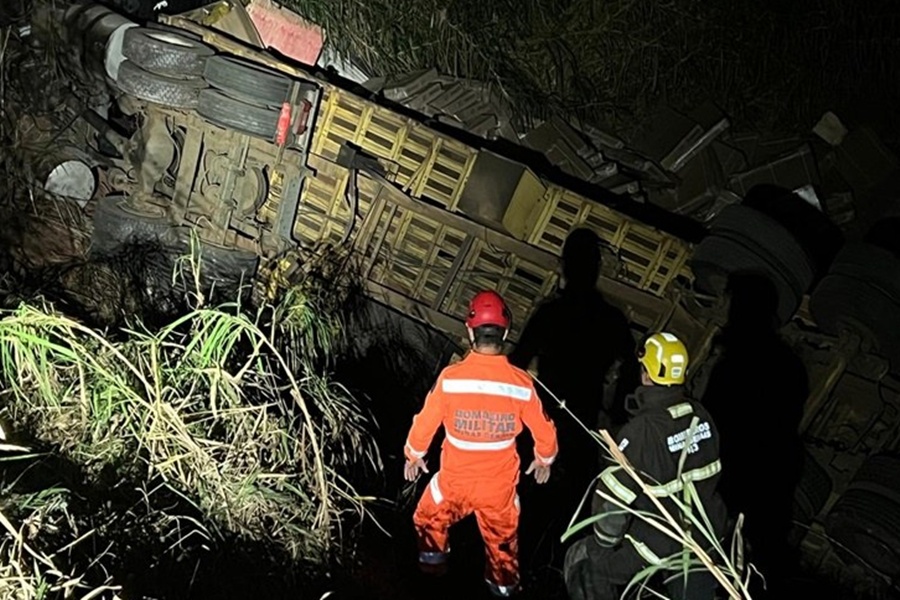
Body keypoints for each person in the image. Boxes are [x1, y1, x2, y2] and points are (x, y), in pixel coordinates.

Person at [403, 290, 559, 598]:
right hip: (498, 489)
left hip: (453, 484)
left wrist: (413, 454)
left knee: (427, 519)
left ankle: (432, 577)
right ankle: (503, 590)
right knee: (503, 544)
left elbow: (425, 422)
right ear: (506, 333)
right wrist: (544, 459)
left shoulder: (451, 379)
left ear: (469, 330)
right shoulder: (521, 383)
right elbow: (545, 431)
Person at [564, 332, 729, 600]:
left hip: (662, 544)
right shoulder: (701, 415)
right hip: (707, 536)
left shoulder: (641, 432)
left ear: (645, 373)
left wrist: (602, 547)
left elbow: (611, 507)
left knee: (582, 559)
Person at [508, 227, 635, 569]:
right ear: (595, 269)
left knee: (528, 502)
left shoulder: (550, 314)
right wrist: (615, 411)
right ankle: (554, 572)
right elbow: (631, 370)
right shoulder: (611, 319)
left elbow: (517, 363)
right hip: (583, 422)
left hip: (542, 423)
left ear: (564, 266)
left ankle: (516, 569)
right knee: (571, 510)